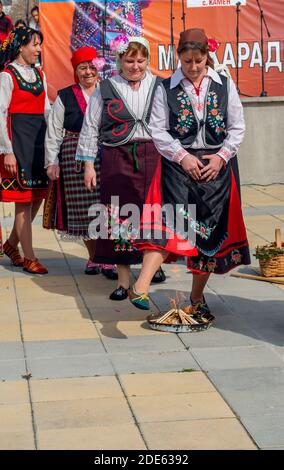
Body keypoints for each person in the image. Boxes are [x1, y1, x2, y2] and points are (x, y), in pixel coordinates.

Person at [128, 28, 251, 323]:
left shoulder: (224, 84)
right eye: (187, 62)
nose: (194, 68)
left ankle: (197, 298)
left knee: (208, 235)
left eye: (198, 61)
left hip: (216, 170)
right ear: (178, 58)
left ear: (207, 56)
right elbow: (158, 129)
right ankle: (140, 287)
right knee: (167, 224)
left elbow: (237, 126)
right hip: (177, 166)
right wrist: (183, 157)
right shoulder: (165, 87)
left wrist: (221, 157)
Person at [76, 35, 166, 301]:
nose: (135, 66)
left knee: (154, 215)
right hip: (117, 157)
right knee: (117, 216)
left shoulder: (160, 86)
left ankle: (151, 267)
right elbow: (91, 127)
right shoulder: (107, 88)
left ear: (148, 60)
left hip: (154, 156)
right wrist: (89, 165)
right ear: (120, 61)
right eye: (129, 60)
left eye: (140, 60)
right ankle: (124, 280)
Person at [44, 46, 117, 278]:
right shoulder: (66, 96)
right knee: (83, 211)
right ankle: (94, 257)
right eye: (82, 68)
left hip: (106, 154)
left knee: (107, 207)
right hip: (73, 156)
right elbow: (54, 131)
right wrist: (51, 162)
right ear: (76, 71)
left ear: (99, 69)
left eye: (91, 67)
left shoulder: (108, 91)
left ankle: (108, 257)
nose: (87, 72)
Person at [0, 25, 50, 274]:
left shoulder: (40, 74)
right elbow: (0, 113)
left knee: (37, 197)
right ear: (21, 46)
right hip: (17, 142)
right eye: (35, 44)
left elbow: (48, 109)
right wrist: (6, 150)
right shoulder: (7, 76)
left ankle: (11, 245)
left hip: (38, 143)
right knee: (23, 202)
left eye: (40, 44)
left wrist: (53, 144)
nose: (39, 49)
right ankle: (29, 257)